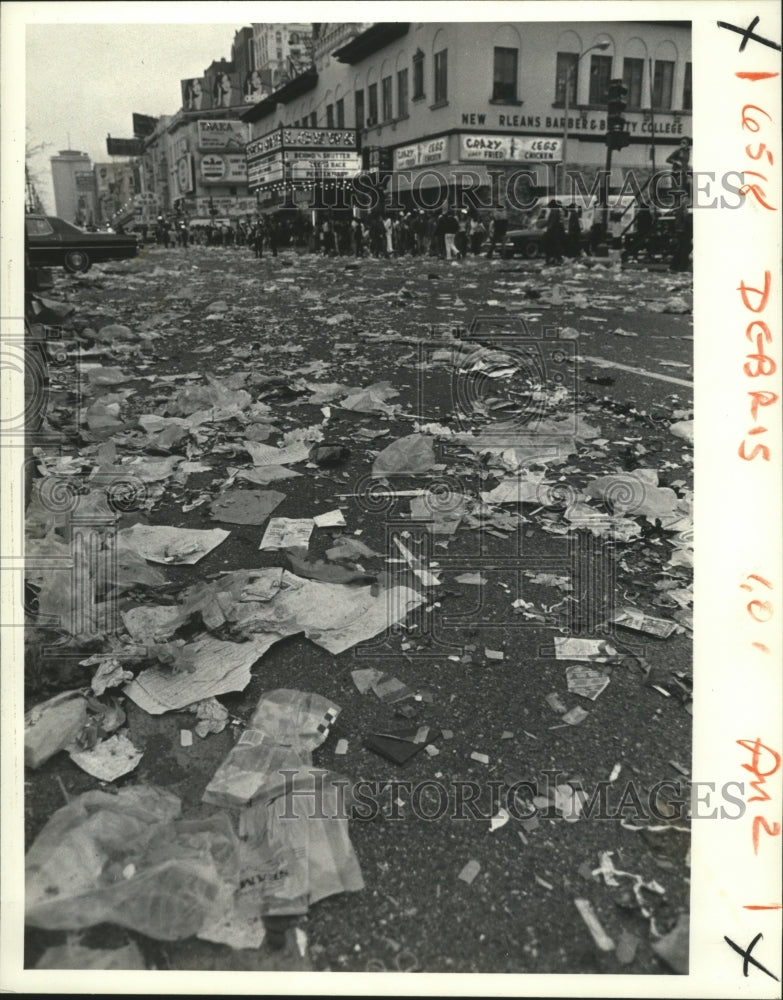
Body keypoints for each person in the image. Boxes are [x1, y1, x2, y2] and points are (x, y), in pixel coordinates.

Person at [669, 190, 692, 272]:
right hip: (684, 229)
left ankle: (675, 266)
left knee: (682, 248)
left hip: (681, 228)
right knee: (685, 248)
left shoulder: (682, 204)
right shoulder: (686, 203)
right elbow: (686, 217)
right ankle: (681, 267)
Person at [543, 200, 565, 264]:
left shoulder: (554, 211)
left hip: (553, 232)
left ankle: (554, 259)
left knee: (552, 246)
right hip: (558, 231)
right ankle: (557, 259)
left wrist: (548, 229)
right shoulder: (559, 211)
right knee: (556, 246)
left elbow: (552, 222)